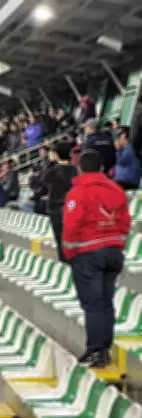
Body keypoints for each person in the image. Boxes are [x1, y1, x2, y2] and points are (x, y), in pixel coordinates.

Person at [63, 150, 131, 367]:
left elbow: (71, 226)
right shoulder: (117, 190)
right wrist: (118, 244)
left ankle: (95, 350)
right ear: (102, 168)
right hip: (113, 252)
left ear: (79, 168)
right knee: (106, 303)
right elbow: (125, 222)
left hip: (88, 254)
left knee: (93, 305)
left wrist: (70, 252)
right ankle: (104, 349)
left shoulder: (78, 193)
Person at [42, 142, 78, 262]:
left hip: (55, 210)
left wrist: (50, 162)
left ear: (56, 155)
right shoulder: (76, 170)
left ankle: (64, 263)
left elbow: (42, 181)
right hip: (72, 209)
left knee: (60, 241)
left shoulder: (52, 171)